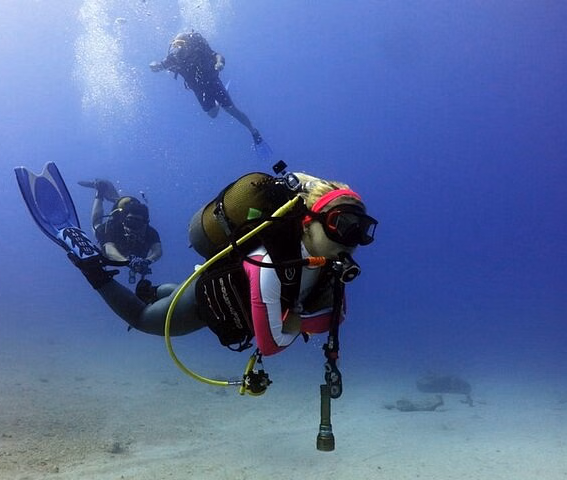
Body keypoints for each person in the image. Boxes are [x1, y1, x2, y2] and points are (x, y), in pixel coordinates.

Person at [72, 172, 377, 357]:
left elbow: (337, 317)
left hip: (222, 290)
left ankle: (154, 291)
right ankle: (94, 272)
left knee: (175, 294)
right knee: (143, 319)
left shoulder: (328, 262)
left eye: (361, 230)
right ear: (308, 222)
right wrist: (300, 322)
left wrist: (296, 321)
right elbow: (270, 345)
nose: (351, 241)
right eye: (341, 225)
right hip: (206, 304)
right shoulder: (268, 263)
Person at [149, 31, 268, 150]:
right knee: (212, 115)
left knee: (231, 110)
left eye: (181, 44)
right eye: (176, 45)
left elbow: (217, 55)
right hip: (199, 90)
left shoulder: (199, 48)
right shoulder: (174, 58)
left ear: (189, 43)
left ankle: (253, 131)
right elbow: (159, 64)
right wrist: (154, 65)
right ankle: (217, 104)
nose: (179, 48)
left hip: (212, 82)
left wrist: (219, 63)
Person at [79, 179, 163, 297]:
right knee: (96, 226)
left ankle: (118, 199)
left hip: (127, 237)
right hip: (115, 233)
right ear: (124, 221)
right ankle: (100, 194)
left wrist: (148, 260)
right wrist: (128, 262)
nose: (132, 228)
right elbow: (109, 249)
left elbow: (157, 251)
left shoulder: (151, 232)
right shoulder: (113, 228)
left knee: (122, 205)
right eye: (129, 222)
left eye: (137, 224)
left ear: (145, 223)